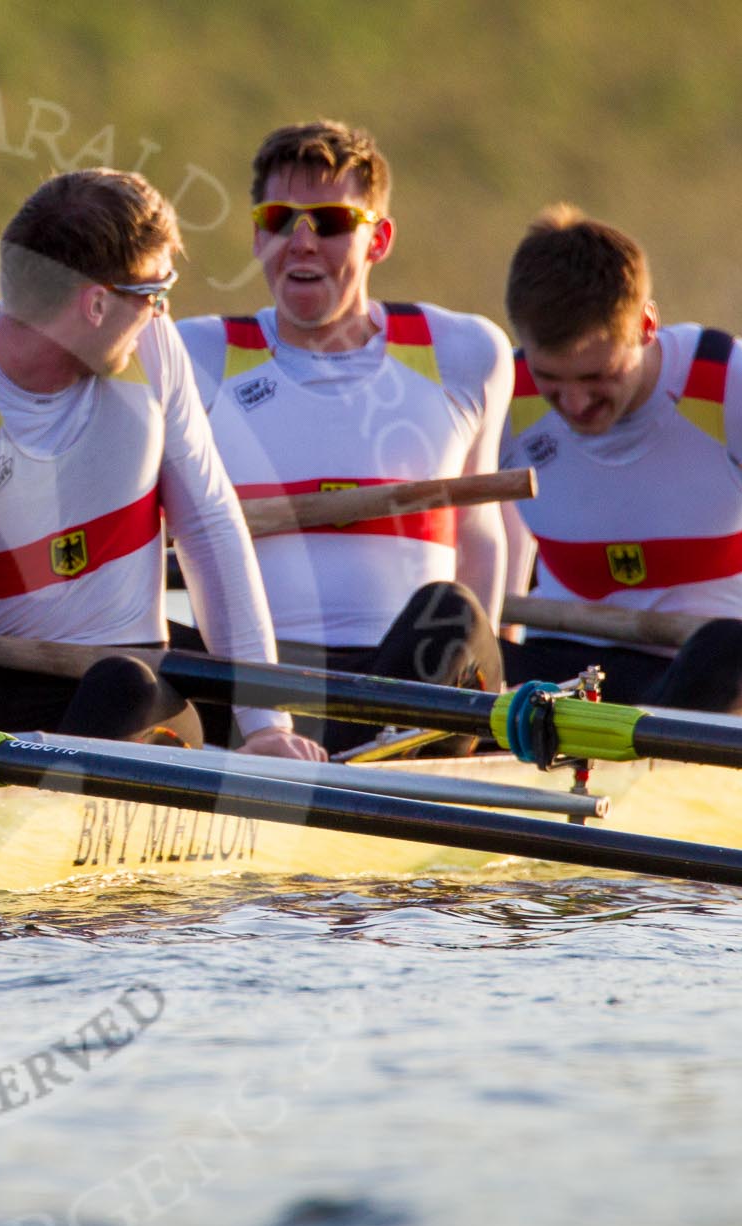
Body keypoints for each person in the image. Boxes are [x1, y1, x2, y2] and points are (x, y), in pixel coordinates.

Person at [0, 167, 323, 760]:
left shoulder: (153, 350)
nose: (160, 314)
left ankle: (26, 787)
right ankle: (21, 783)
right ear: (95, 304)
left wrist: (267, 723)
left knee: (129, 683)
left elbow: (210, 528)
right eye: (154, 296)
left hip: (132, 690)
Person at [177, 120, 508, 754]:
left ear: (377, 239)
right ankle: (287, 749)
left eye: (328, 222)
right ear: (256, 235)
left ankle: (344, 761)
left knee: (454, 611)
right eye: (280, 220)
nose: (301, 244)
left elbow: (481, 536)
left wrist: (487, 674)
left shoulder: (465, 352)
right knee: (137, 666)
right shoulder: (195, 355)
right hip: (263, 684)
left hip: (414, 670)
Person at [501, 205, 742, 719]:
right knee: (443, 622)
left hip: (723, 676)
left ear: (647, 324)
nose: (576, 405)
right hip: (567, 677)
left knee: (731, 650)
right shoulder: (500, 395)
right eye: (552, 381)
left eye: (596, 377)